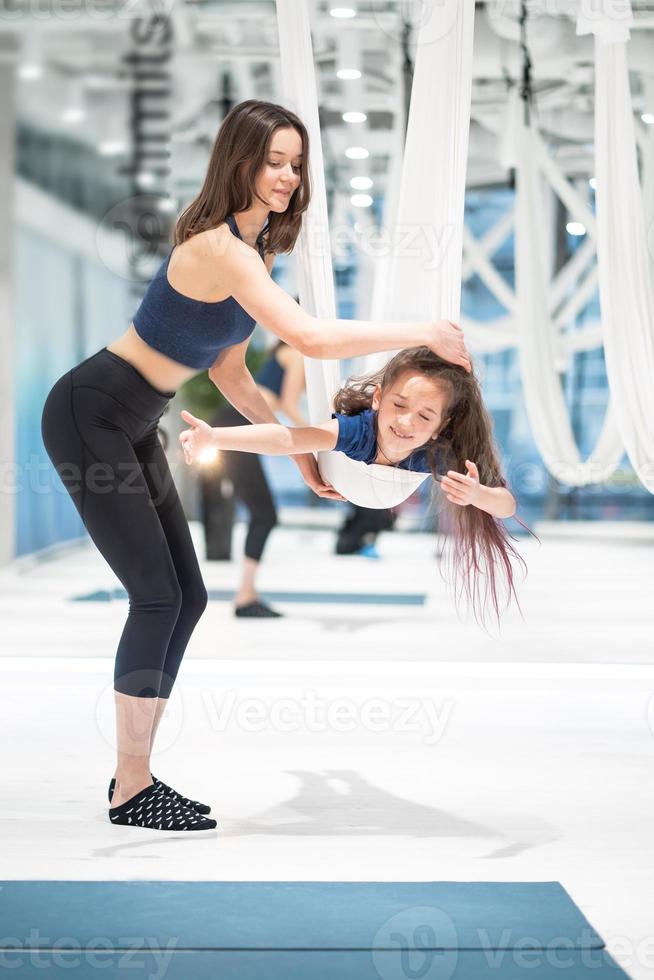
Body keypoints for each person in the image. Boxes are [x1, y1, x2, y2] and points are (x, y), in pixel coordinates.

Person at [40, 98, 471, 833]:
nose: (288, 176)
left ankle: (133, 775)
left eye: (297, 164)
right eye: (275, 161)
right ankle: (132, 786)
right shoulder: (218, 249)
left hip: (134, 421)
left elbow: (235, 373)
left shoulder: (257, 255)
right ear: (239, 162)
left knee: (190, 596)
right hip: (92, 412)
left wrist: (298, 447)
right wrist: (423, 329)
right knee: (155, 595)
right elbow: (307, 336)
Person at [180, 346, 528, 627]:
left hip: (386, 485)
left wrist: (477, 494)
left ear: (441, 425)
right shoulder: (356, 431)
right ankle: (249, 592)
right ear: (377, 399)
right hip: (328, 461)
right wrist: (215, 437)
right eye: (398, 405)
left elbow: (506, 504)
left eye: (424, 416)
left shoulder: (437, 453)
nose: (406, 422)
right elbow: (286, 438)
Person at [207, 339, 308, 617]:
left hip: (235, 422)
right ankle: (245, 597)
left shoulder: (280, 353)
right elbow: (288, 404)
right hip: (236, 425)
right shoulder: (296, 354)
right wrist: (317, 438)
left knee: (263, 513)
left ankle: (247, 594)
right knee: (264, 514)